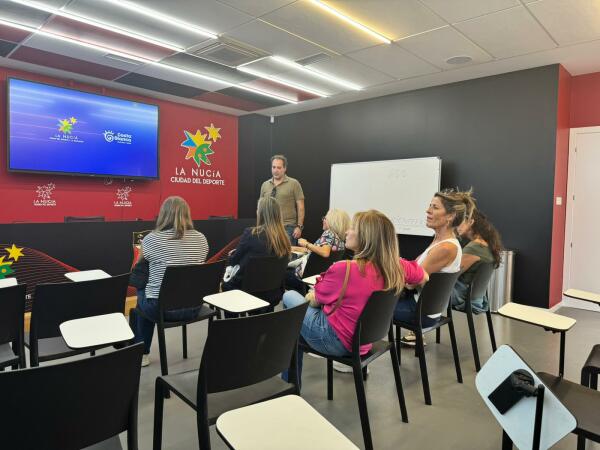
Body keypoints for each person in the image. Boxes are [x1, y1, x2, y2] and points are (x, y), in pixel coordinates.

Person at [282, 210, 428, 386]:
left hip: (336, 341)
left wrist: (312, 294)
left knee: (289, 297)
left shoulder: (345, 269)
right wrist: (406, 284)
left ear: (365, 237)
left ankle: (289, 385)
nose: (346, 231)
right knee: (294, 325)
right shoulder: (397, 266)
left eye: (352, 228)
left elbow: (315, 300)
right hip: (365, 341)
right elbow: (424, 277)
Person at [133, 196, 209, 367]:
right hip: (194, 307)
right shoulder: (202, 239)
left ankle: (140, 352)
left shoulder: (151, 239)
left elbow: (139, 266)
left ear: (163, 215)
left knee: (142, 291)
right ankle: (137, 348)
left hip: (161, 311)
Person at [395, 189, 475, 346]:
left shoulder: (445, 248)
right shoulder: (440, 242)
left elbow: (411, 282)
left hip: (419, 312)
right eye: (429, 206)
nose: (428, 210)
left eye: (435, 207)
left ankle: (352, 357)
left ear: (450, 216)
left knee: (362, 309)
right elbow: (413, 267)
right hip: (420, 307)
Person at [222, 196, 291, 305]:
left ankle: (233, 320)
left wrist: (232, 256)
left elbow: (234, 260)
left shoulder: (251, 234)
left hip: (245, 293)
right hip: (272, 293)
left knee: (225, 285)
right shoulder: (285, 239)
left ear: (261, 213)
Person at [286, 209, 350, 293]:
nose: (323, 220)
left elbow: (324, 253)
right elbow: (316, 254)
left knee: (278, 273)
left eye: (325, 218)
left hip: (300, 277)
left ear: (332, 221)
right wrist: (296, 247)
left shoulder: (329, 233)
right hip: (316, 279)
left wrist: (306, 244)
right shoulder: (340, 241)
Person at [451, 209, 503, 313]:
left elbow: (450, 275)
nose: (456, 226)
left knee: (424, 285)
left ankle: (417, 324)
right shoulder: (486, 244)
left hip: (462, 297)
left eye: (459, 222)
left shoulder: (475, 247)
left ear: (471, 222)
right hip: (477, 298)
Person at [260, 154, 305, 245]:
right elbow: (261, 207)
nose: (276, 170)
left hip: (287, 228)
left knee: (287, 257)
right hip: (268, 228)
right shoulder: (265, 185)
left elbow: (301, 207)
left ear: (285, 169)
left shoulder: (294, 183)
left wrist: (299, 227)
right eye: (274, 167)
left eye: (279, 168)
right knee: (269, 257)